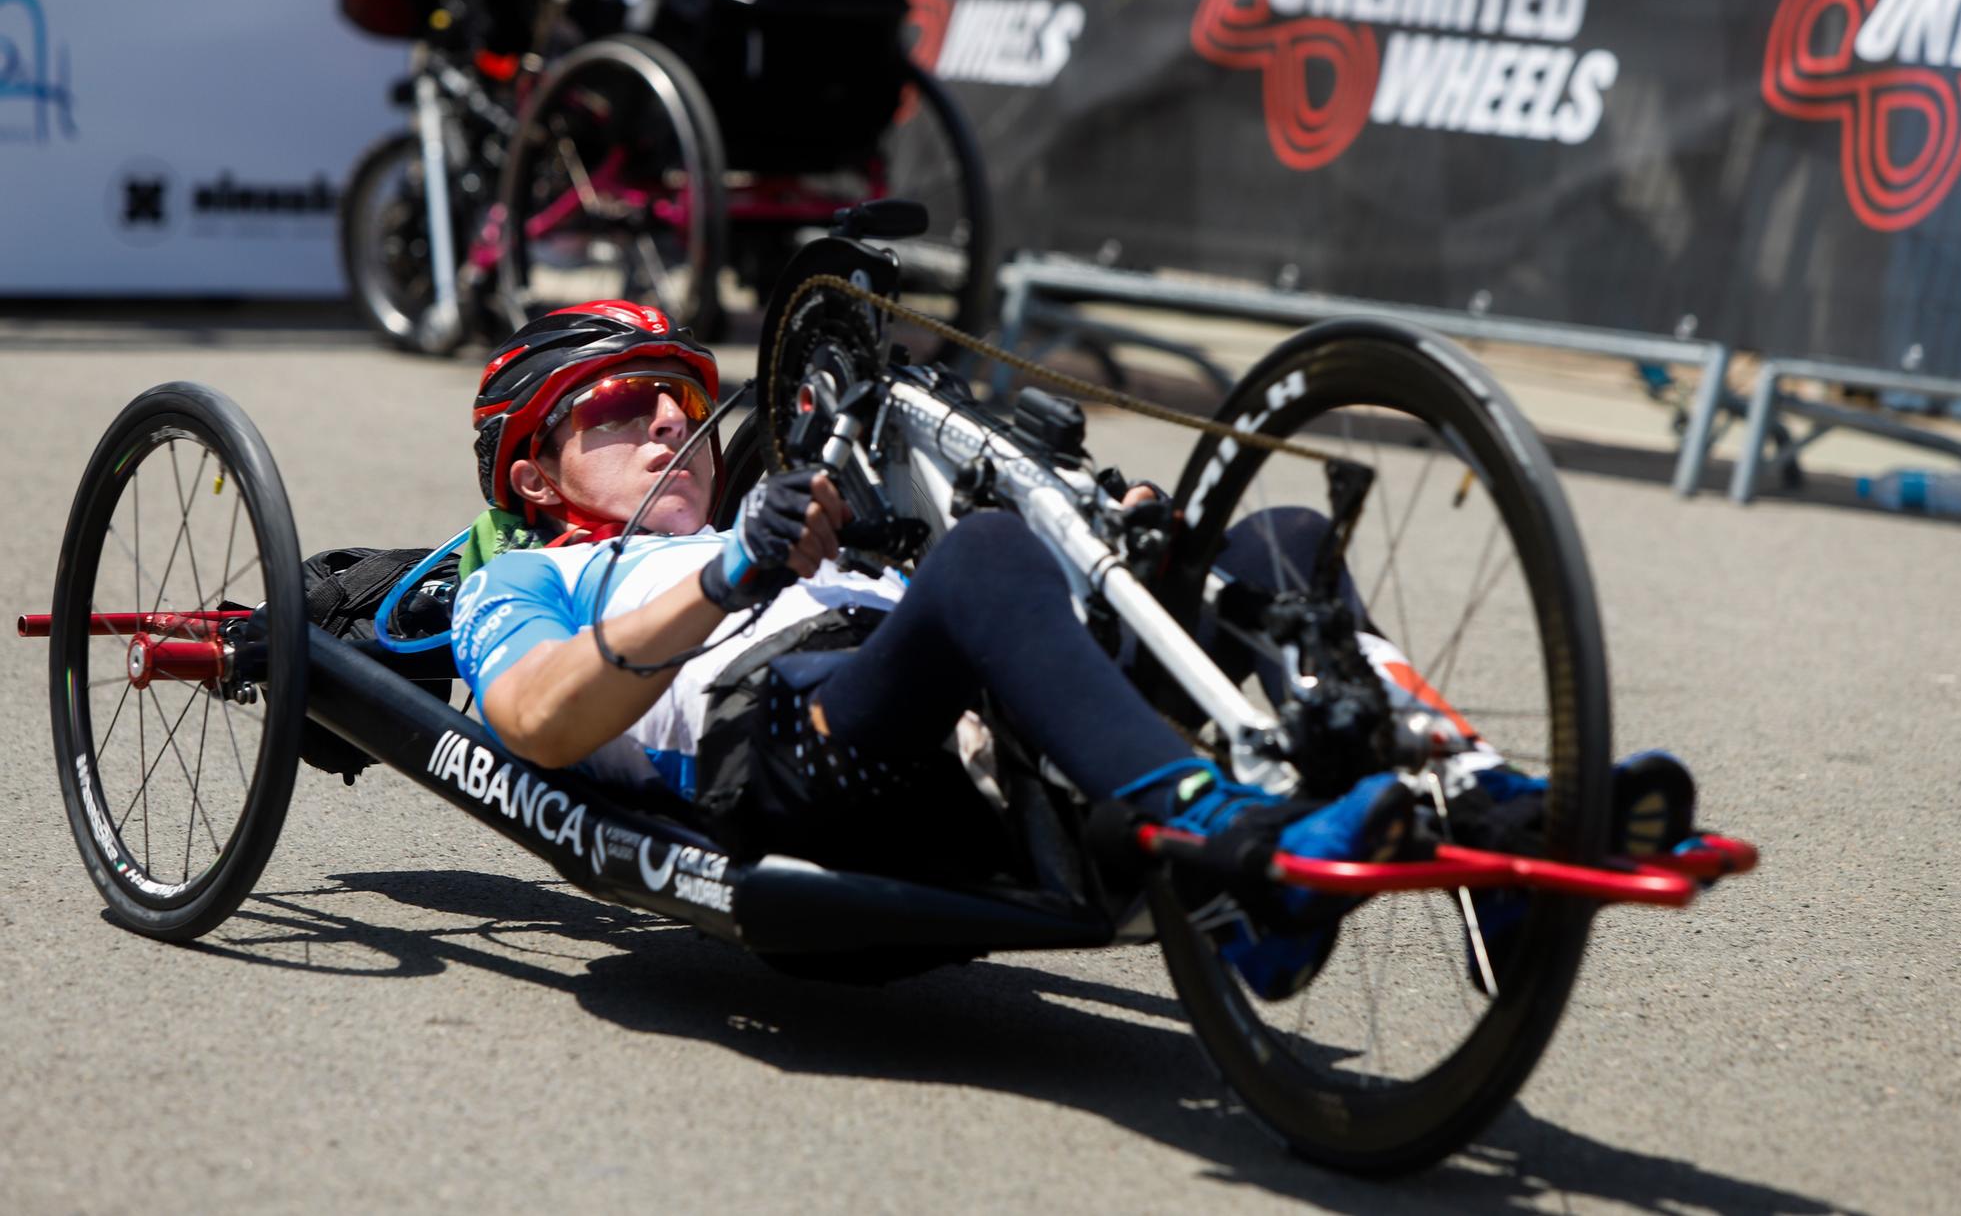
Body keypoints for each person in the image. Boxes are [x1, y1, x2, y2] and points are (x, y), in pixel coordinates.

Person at [450, 300, 1697, 996]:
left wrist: (1116, 542)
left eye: (679, 389)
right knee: (982, 562)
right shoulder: (531, 573)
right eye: (620, 405)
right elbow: (539, 720)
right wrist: (729, 573)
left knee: (1273, 543)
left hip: (971, 713)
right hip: (789, 755)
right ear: (530, 464)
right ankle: (1236, 855)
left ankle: (1481, 812)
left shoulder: (798, 509)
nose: (672, 414)